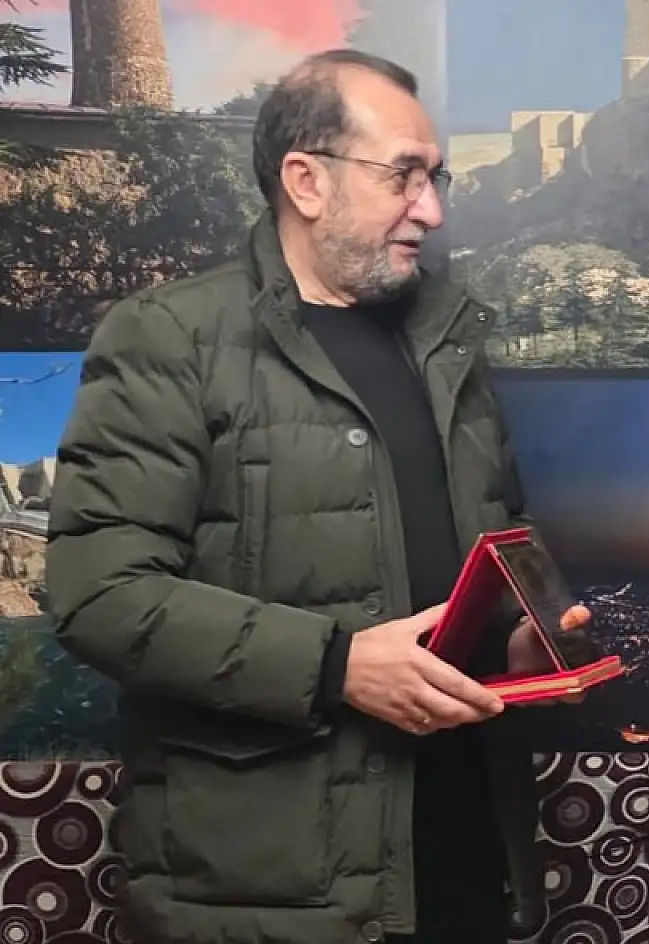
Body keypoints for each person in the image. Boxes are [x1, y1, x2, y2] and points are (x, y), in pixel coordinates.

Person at [44, 49, 585, 944]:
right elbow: (99, 596)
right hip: (269, 898)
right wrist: (336, 666)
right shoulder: (170, 337)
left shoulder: (447, 342)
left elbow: (487, 549)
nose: (432, 209)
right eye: (403, 175)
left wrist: (520, 642)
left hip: (461, 867)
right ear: (306, 180)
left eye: (436, 178)